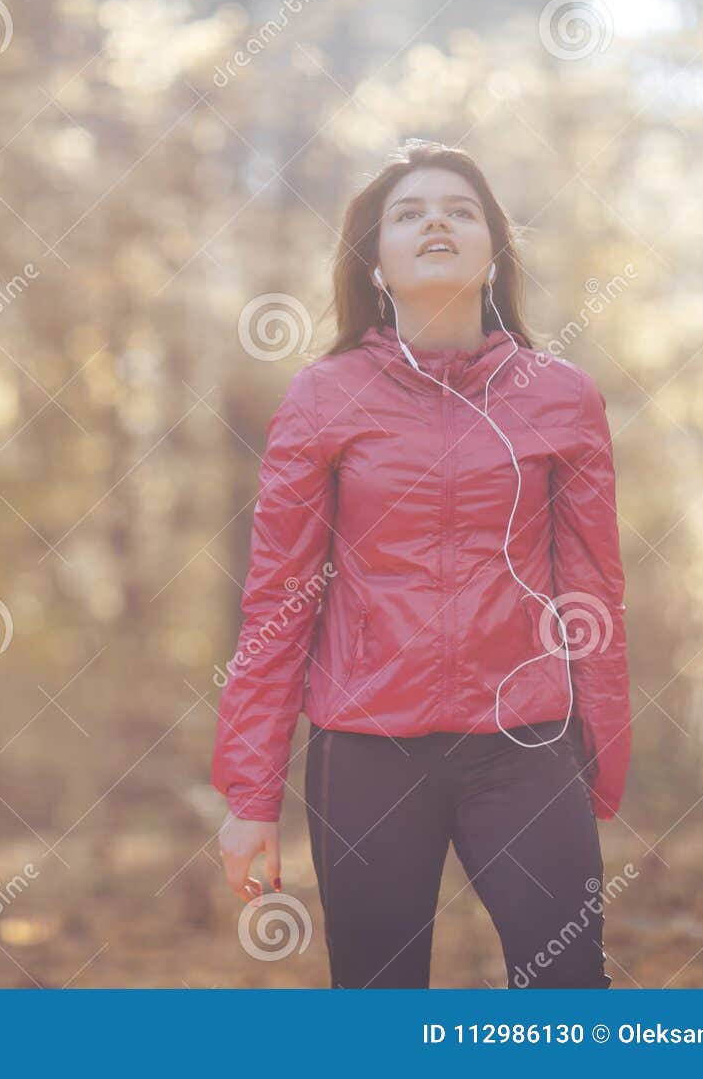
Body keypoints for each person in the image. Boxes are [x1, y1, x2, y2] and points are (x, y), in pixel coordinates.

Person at [212, 139, 631, 988]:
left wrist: (601, 748)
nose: (436, 219)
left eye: (460, 209)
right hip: (366, 751)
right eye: (408, 213)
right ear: (375, 265)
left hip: (525, 741)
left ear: (492, 254)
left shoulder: (561, 395)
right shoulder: (323, 398)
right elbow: (279, 602)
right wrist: (250, 795)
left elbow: (592, 585)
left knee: (568, 991)